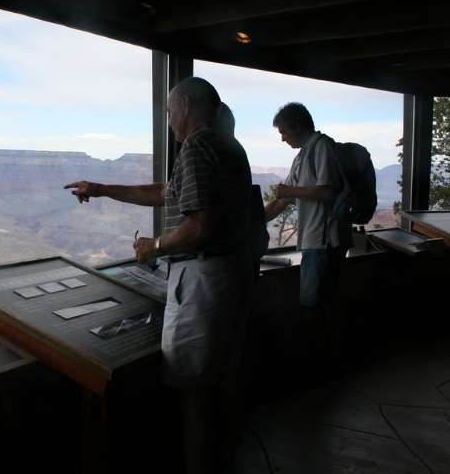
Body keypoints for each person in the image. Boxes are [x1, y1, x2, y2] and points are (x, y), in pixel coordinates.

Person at [65, 77, 253, 473]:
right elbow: (164, 192)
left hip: (202, 281)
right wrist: (101, 188)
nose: (168, 120)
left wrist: (156, 246)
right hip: (230, 277)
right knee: (221, 380)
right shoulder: (228, 147)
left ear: (184, 105)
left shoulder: (197, 147)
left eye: (168, 111)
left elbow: (200, 227)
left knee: (194, 389)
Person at [263, 102, 351, 362]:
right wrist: (256, 221)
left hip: (324, 240)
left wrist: (290, 192)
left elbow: (327, 190)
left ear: (298, 126)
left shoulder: (322, 147)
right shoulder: (303, 156)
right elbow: (282, 200)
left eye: (284, 132)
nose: (282, 138)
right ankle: (324, 357)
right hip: (314, 241)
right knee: (318, 301)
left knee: (314, 303)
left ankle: (321, 360)